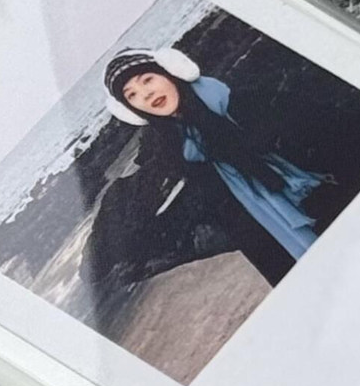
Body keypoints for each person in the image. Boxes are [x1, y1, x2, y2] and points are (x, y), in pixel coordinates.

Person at [98, 45, 332, 288]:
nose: (146, 95)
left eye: (147, 79)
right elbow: (245, 233)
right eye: (132, 95)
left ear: (171, 71)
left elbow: (325, 136)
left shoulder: (244, 101)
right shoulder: (179, 154)